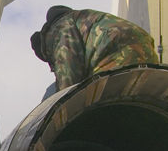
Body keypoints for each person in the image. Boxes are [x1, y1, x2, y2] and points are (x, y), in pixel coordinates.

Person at [30, 6, 159, 95]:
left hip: (117, 55)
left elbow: (68, 75)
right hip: (147, 51)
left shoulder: (59, 29)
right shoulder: (83, 18)